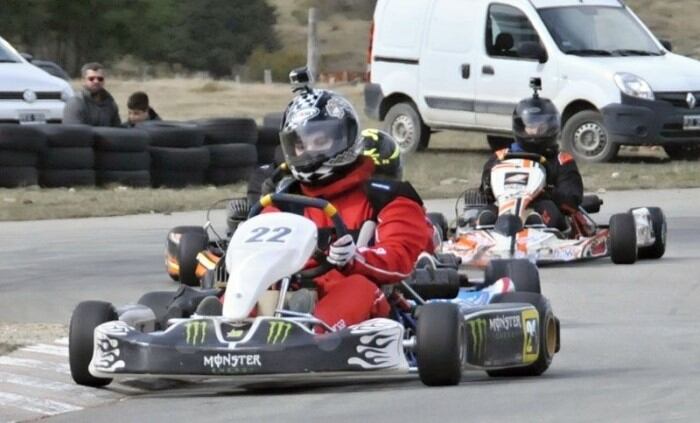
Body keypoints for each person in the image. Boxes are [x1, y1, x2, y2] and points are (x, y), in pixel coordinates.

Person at [208, 82, 434, 332]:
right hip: (289, 297)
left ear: (344, 138)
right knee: (258, 285)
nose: (309, 153)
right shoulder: (284, 201)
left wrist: (355, 258)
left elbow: (399, 258)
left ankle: (313, 337)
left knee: (358, 285)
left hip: (369, 307)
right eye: (301, 145)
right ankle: (222, 329)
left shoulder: (389, 198)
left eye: (320, 141)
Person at [479, 83, 583, 232]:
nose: (535, 131)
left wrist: (546, 192)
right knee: (485, 215)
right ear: (521, 126)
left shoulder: (561, 160)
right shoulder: (499, 157)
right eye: (531, 124)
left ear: (551, 126)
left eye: (541, 126)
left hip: (541, 206)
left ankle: (535, 227)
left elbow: (571, 201)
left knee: (547, 211)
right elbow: (484, 194)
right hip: (504, 206)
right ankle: (487, 233)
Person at [62, 62, 121, 127]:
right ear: (83, 81)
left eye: (100, 79)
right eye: (91, 79)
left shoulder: (110, 104)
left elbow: (117, 130)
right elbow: (73, 132)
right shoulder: (75, 103)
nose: (96, 81)